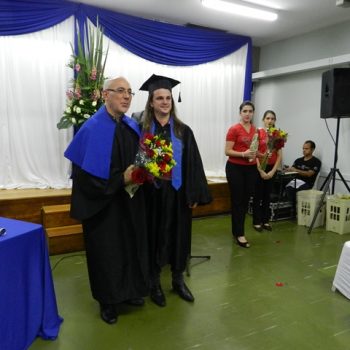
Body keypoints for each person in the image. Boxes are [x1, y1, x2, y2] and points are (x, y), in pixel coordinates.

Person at [64, 77, 149, 325]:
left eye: (129, 92)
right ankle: (108, 301)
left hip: (129, 201)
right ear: (105, 95)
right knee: (107, 254)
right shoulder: (91, 128)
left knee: (129, 247)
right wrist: (119, 179)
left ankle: (129, 292)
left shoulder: (132, 127)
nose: (126, 96)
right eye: (120, 91)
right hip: (102, 206)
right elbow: (83, 177)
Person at [138, 74, 212, 307]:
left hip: (178, 193)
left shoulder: (182, 131)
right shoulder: (143, 129)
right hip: (151, 194)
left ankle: (178, 280)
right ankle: (154, 282)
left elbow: (193, 163)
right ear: (151, 102)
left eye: (168, 98)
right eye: (159, 98)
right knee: (153, 237)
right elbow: (136, 161)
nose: (164, 102)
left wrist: (193, 194)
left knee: (180, 236)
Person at [225, 101, 263, 248]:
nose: (248, 114)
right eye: (245, 111)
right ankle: (239, 234)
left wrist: (262, 154)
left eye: (250, 111)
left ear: (253, 113)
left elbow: (254, 151)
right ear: (240, 112)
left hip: (251, 169)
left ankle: (238, 231)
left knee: (245, 201)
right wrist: (243, 154)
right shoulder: (234, 129)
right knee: (237, 201)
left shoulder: (256, 131)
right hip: (235, 168)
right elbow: (227, 151)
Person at [252, 110, 282, 232]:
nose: (270, 121)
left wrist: (272, 171)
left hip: (271, 169)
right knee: (257, 196)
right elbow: (254, 152)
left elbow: (279, 155)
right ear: (263, 120)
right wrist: (260, 170)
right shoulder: (258, 132)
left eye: (272, 119)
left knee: (267, 196)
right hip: (259, 167)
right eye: (268, 118)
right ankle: (256, 221)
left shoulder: (278, 134)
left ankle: (265, 220)